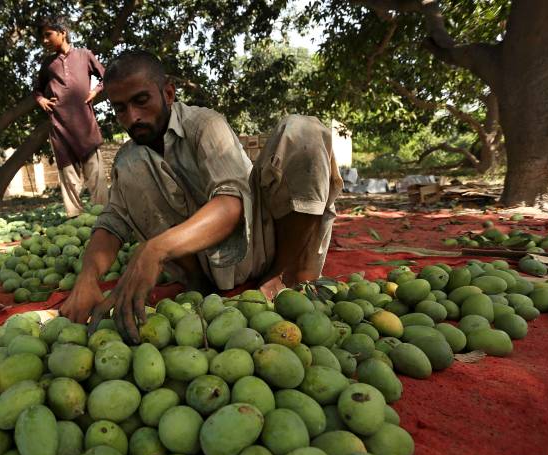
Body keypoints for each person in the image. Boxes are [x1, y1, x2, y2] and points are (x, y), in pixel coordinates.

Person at [60, 50, 343, 342]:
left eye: (141, 101)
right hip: (203, 264)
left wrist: (156, 249)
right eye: (120, 109)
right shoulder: (129, 157)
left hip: (259, 241)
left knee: (304, 131)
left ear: (168, 93)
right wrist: (88, 277)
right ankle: (199, 286)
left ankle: (282, 276)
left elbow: (231, 202)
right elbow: (112, 222)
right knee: (130, 164)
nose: (132, 117)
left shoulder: (205, 125)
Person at [33, 16, 108, 217]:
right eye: (43, 37)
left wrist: (95, 91)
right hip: (59, 127)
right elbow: (37, 90)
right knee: (69, 176)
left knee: (96, 177)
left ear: (62, 32)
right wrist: (41, 101)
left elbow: (106, 76)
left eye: (48, 35)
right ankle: (75, 220)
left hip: (86, 127)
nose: (44, 41)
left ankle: (105, 220)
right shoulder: (47, 64)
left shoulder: (85, 55)